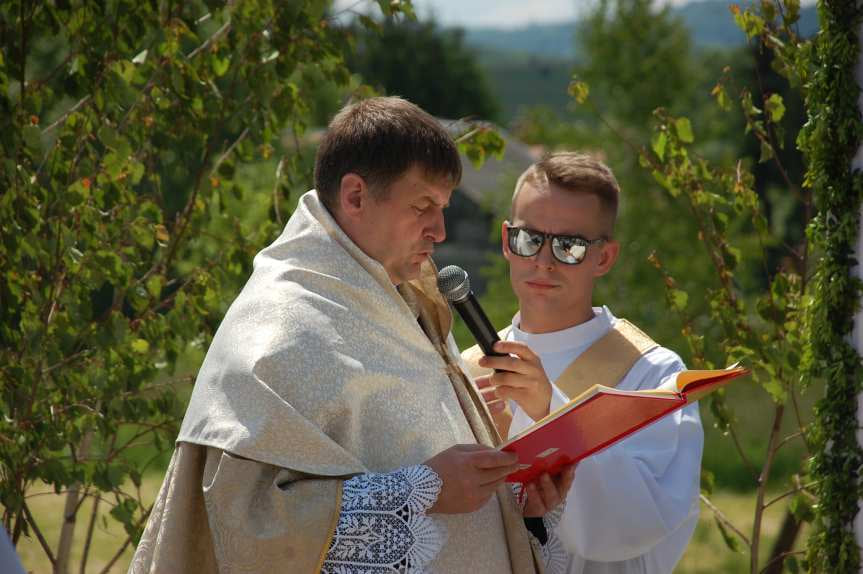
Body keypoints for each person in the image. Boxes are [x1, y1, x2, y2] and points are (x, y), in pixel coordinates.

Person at [129, 96, 574, 574]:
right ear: (356, 195)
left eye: (443, 208)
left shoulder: (410, 295)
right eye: (424, 206)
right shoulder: (277, 328)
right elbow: (249, 524)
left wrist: (514, 506)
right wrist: (424, 489)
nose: (440, 230)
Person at [462, 152, 704, 574]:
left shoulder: (654, 376)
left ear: (604, 258)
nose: (543, 261)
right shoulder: (468, 369)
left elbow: (644, 520)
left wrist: (548, 408)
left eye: (569, 246)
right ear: (506, 241)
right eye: (529, 239)